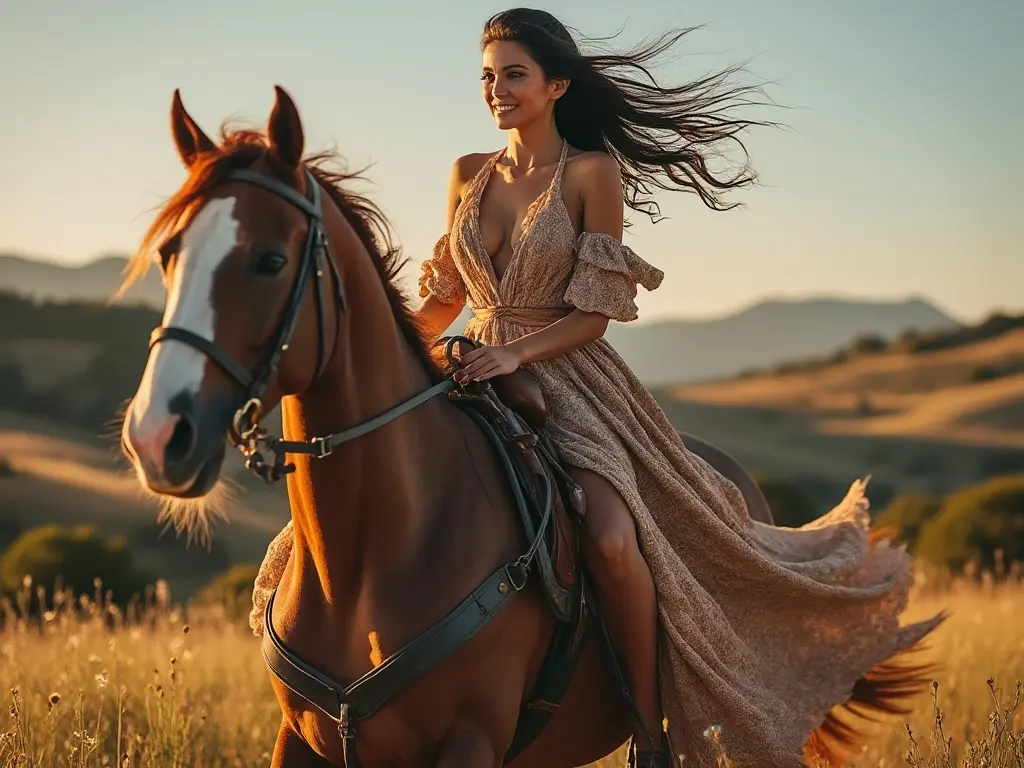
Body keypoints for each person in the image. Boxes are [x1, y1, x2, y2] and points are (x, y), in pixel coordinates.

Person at [251, 8, 944, 766]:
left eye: (513, 74)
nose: (497, 89)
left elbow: (596, 312)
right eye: (488, 76)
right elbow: (446, 296)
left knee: (613, 539)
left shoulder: (591, 173)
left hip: (565, 375)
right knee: (334, 523)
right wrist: (390, 354)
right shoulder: (465, 174)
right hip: (467, 361)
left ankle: (650, 734)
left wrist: (518, 356)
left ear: (556, 85)